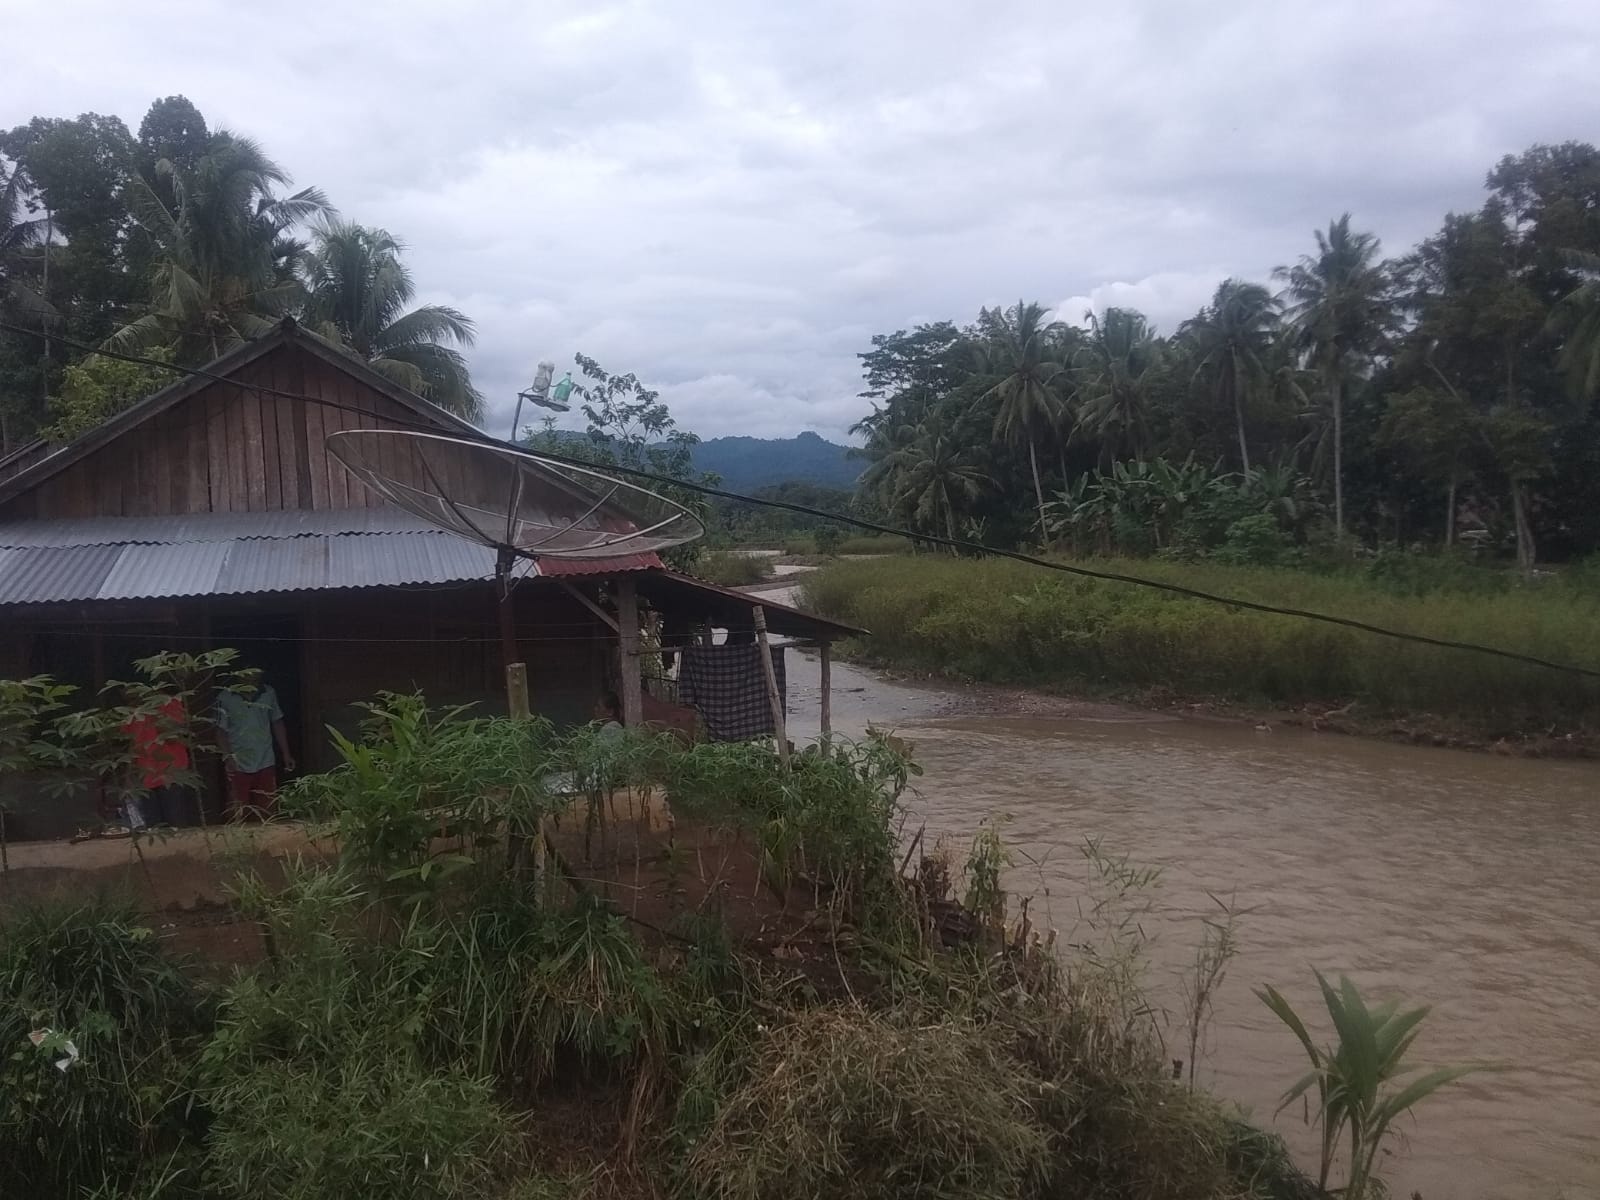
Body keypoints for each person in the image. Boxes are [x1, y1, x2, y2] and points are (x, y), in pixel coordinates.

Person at [214, 669, 295, 820]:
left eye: (256, 678)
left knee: (268, 807)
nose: (252, 682)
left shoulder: (268, 693)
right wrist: (228, 757)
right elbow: (220, 732)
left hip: (265, 758)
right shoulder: (224, 697)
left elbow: (277, 722)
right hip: (238, 760)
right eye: (248, 678)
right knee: (237, 808)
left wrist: (286, 754)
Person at [121, 693, 194, 827]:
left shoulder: (169, 703)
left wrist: (154, 714)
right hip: (146, 774)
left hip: (171, 771)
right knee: (152, 825)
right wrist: (129, 776)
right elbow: (132, 745)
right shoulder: (132, 716)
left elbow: (175, 733)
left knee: (175, 822)